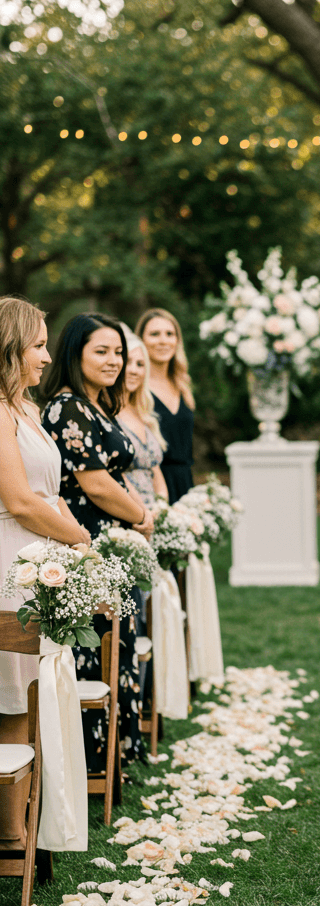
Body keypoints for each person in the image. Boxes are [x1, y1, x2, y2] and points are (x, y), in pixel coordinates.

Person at [42, 314, 153, 769]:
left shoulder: (96, 404)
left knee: (119, 645)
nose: (114, 360)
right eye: (101, 351)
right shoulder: (67, 407)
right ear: (75, 354)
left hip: (111, 542)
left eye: (118, 352)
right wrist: (143, 515)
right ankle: (93, 757)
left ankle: (118, 752)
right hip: (85, 540)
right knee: (98, 648)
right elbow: (97, 485)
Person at [0, 298, 91, 847]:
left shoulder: (26, 410)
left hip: (39, 565)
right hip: (9, 561)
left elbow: (49, 496)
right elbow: (19, 500)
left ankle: (27, 819)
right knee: (10, 693)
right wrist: (80, 539)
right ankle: (10, 836)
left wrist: (76, 547)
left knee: (31, 690)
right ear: (9, 349)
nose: (47, 355)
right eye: (37, 344)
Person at [136, 308, 194, 503]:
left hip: (185, 481)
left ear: (177, 340)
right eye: (154, 334)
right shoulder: (135, 387)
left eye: (170, 334)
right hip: (152, 484)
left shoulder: (182, 385)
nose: (163, 340)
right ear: (141, 340)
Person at [118, 331, 168, 512]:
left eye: (140, 364)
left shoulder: (143, 413)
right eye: (128, 362)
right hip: (129, 511)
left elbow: (155, 470)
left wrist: (162, 508)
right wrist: (142, 512)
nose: (133, 370)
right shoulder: (107, 414)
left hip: (154, 513)